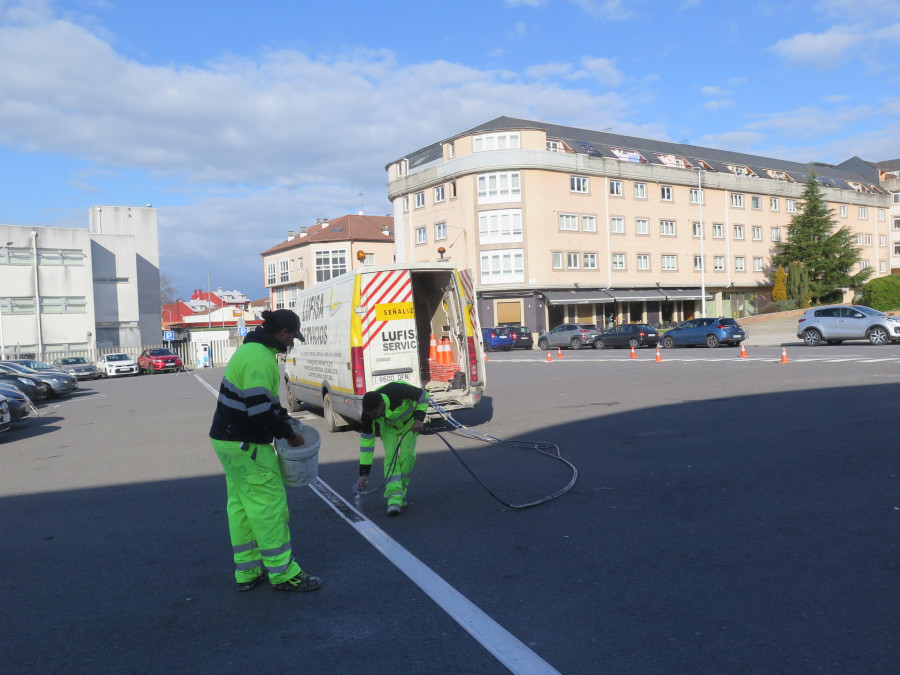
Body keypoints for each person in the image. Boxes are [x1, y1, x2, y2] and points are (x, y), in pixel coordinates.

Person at [209, 309, 322, 593]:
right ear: (283, 333)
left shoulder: (249, 352)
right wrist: (288, 434)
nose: (292, 343)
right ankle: (284, 574)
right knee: (268, 507)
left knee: (242, 507)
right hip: (248, 445)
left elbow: (266, 403)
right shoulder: (261, 359)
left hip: (227, 441)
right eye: (292, 337)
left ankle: (247, 571)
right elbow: (259, 408)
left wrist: (284, 418)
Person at [355, 381, 429, 516]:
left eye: (374, 414)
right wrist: (363, 475)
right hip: (389, 428)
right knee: (391, 458)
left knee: (408, 456)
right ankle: (394, 500)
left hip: (409, 424)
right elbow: (367, 446)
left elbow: (423, 395)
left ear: (382, 406)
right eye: (370, 415)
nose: (372, 418)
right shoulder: (368, 415)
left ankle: (401, 493)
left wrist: (419, 419)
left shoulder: (397, 390)